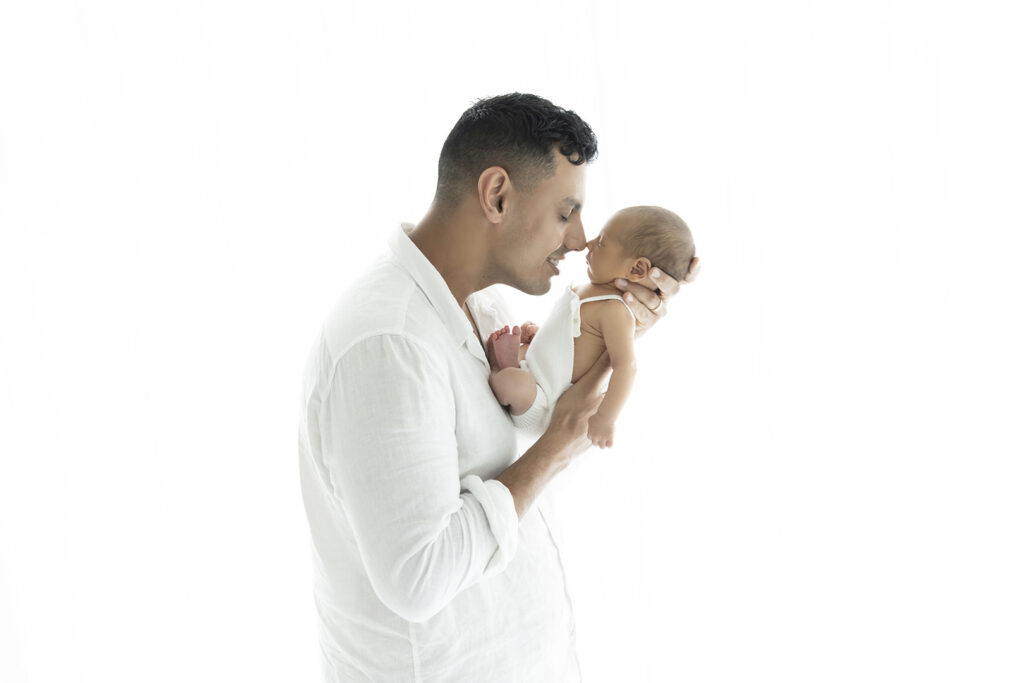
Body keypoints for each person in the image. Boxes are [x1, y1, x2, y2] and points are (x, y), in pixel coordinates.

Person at [297, 93, 699, 681]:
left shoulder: (481, 307)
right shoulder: (389, 344)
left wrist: (613, 334)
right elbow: (417, 577)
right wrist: (555, 446)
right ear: (497, 195)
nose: (579, 240)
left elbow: (522, 469)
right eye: (566, 213)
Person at [485, 205, 696, 448]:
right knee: (518, 372)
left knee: (514, 385)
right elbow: (574, 343)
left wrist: (606, 417)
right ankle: (511, 363)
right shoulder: (591, 290)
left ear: (637, 269)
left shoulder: (616, 310)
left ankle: (499, 368)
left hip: (543, 405)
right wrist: (540, 337)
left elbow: (626, 366)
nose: (589, 244)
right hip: (536, 374)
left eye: (602, 242)